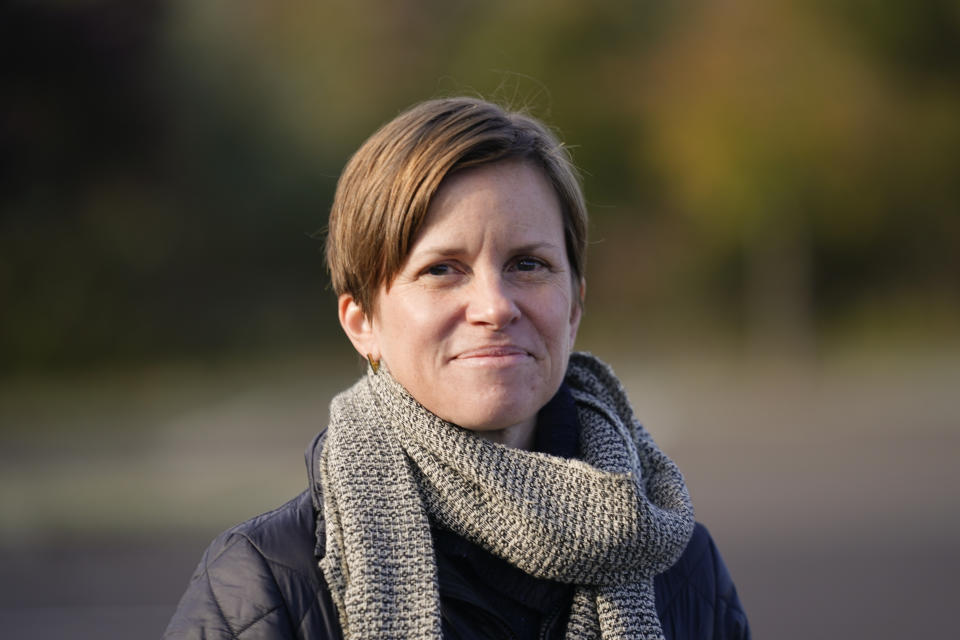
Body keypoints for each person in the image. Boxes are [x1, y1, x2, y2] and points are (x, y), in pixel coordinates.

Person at [164, 97, 750, 640]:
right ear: (362, 320)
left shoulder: (680, 565)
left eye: (528, 263)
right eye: (443, 269)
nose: (495, 307)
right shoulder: (263, 584)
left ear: (573, 306)